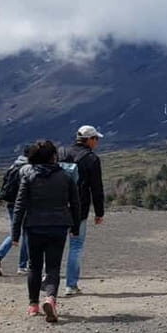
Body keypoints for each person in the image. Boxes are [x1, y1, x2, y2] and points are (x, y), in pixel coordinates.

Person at [11, 140, 80, 322]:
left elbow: (20, 204)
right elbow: (75, 203)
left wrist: (15, 232)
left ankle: (33, 305)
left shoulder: (28, 175)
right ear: (53, 156)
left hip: (34, 225)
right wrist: (75, 227)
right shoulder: (65, 176)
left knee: (34, 265)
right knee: (53, 266)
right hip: (59, 225)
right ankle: (50, 299)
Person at [58, 125, 105, 296]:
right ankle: (71, 285)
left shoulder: (61, 152)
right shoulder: (91, 159)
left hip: (58, 205)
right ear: (90, 140)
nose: (97, 142)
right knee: (76, 246)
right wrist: (99, 212)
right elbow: (96, 189)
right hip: (79, 208)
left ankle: (48, 279)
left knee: (54, 244)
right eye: (96, 139)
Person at [0, 145, 31, 276]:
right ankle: (22, 266)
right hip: (23, 204)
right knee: (26, 233)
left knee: (15, 231)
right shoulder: (27, 168)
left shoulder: (14, 165)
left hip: (10, 203)